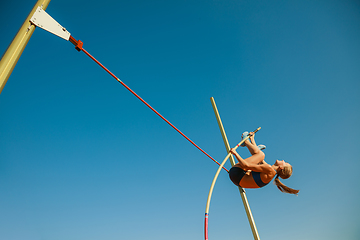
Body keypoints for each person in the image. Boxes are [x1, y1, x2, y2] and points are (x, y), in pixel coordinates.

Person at [229, 131, 299, 195]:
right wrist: (252, 139)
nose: (283, 160)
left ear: (281, 167)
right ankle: (251, 144)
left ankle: (246, 142)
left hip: (236, 174)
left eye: (285, 162)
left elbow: (246, 165)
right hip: (237, 177)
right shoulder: (270, 171)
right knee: (260, 155)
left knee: (261, 155)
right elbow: (258, 160)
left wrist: (235, 153)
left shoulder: (269, 169)